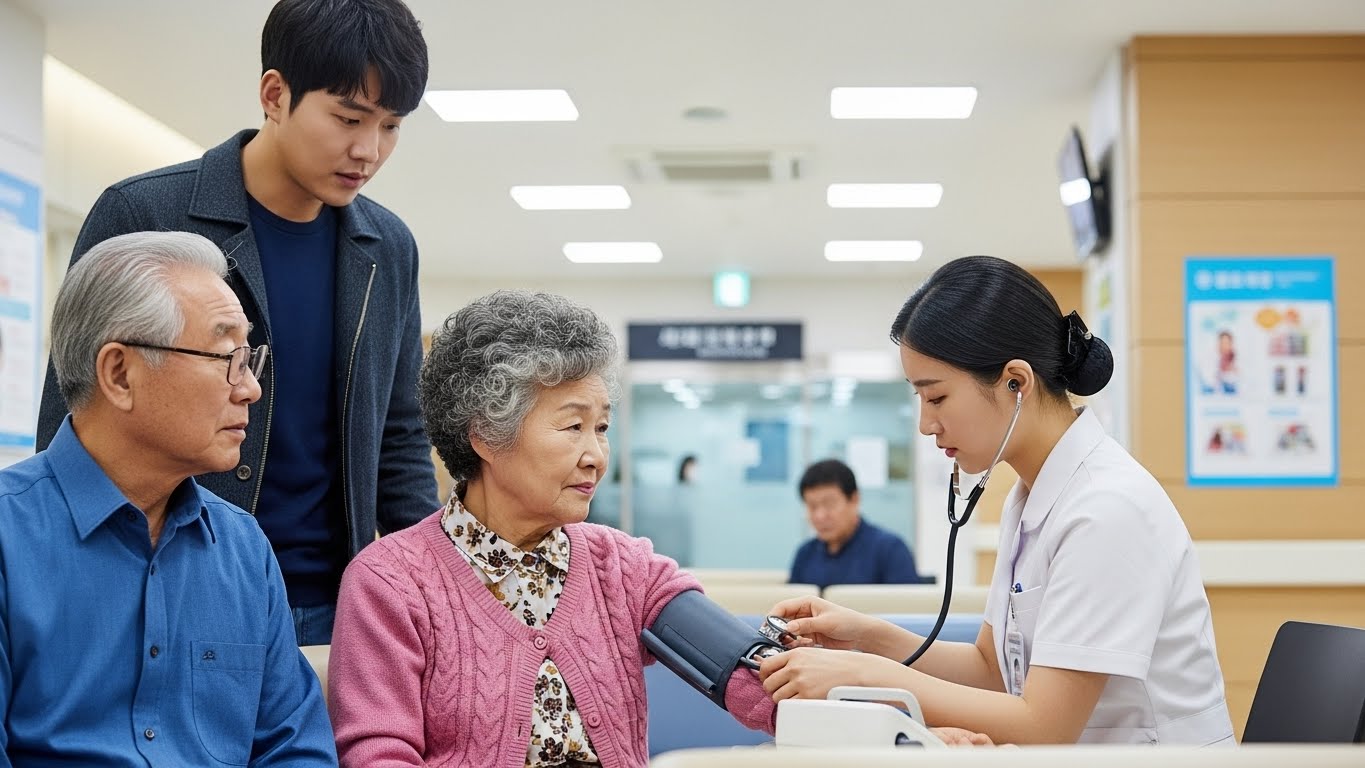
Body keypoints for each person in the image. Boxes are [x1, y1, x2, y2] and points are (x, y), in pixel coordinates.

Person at [34, 0, 439, 645]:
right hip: (165, 586)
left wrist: (438, 588)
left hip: (344, 605)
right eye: (348, 118)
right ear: (275, 95)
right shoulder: (146, 212)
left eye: (391, 126)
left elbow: (399, 435)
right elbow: (73, 413)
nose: (369, 150)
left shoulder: (386, 248)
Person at [759, 255, 1234, 746]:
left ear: (1016, 382)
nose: (926, 424)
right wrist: (867, 637)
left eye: (937, 397)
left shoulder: (1107, 509)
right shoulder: (1030, 497)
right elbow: (991, 671)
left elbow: (1044, 726)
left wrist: (860, 675)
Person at [326, 291, 777, 767]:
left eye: (601, 427)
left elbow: (753, 676)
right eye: (572, 427)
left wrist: (839, 673)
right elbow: (377, 756)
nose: (597, 457)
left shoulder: (625, 570)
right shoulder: (390, 583)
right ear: (485, 436)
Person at [0, 232, 336, 765]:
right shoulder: (8, 538)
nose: (250, 387)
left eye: (252, 358)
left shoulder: (242, 548)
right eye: (227, 356)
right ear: (119, 373)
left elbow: (294, 748)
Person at [788, 458, 920, 588]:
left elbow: (908, 607)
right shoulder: (805, 555)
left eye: (829, 504)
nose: (820, 516)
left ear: (854, 499)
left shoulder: (890, 550)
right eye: (812, 506)